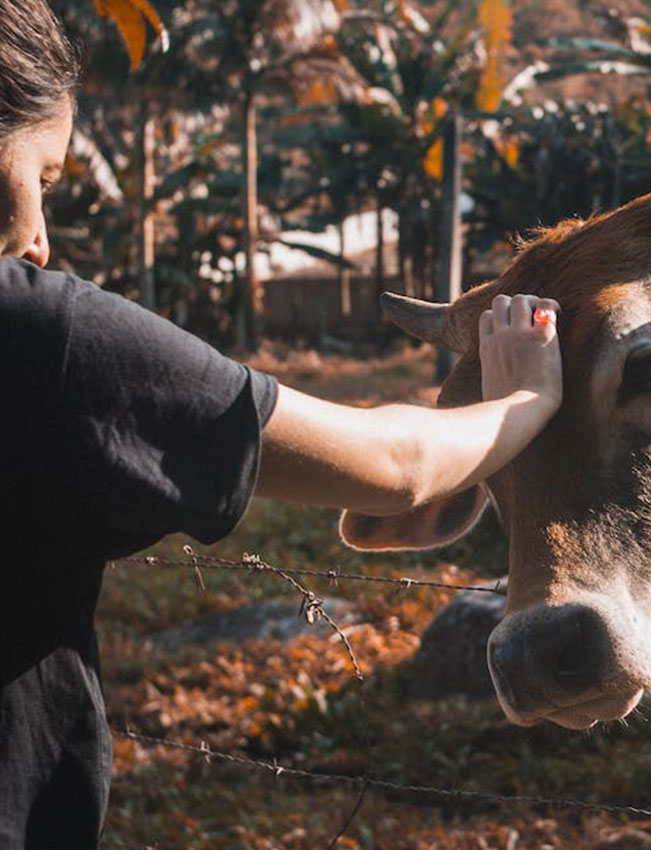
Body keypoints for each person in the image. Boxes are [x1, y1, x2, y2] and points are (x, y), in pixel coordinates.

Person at [0, 1, 562, 847]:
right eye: (40, 178)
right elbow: (394, 465)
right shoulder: (42, 339)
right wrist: (527, 400)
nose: (41, 239)